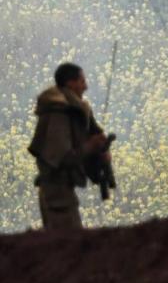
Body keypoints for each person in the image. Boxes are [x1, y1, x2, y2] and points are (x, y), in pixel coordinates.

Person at [28, 62, 110, 230]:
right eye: (81, 81)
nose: (85, 87)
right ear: (70, 83)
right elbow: (61, 157)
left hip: (62, 192)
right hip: (56, 194)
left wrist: (99, 149)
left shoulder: (73, 110)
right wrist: (91, 146)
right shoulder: (58, 114)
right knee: (66, 243)